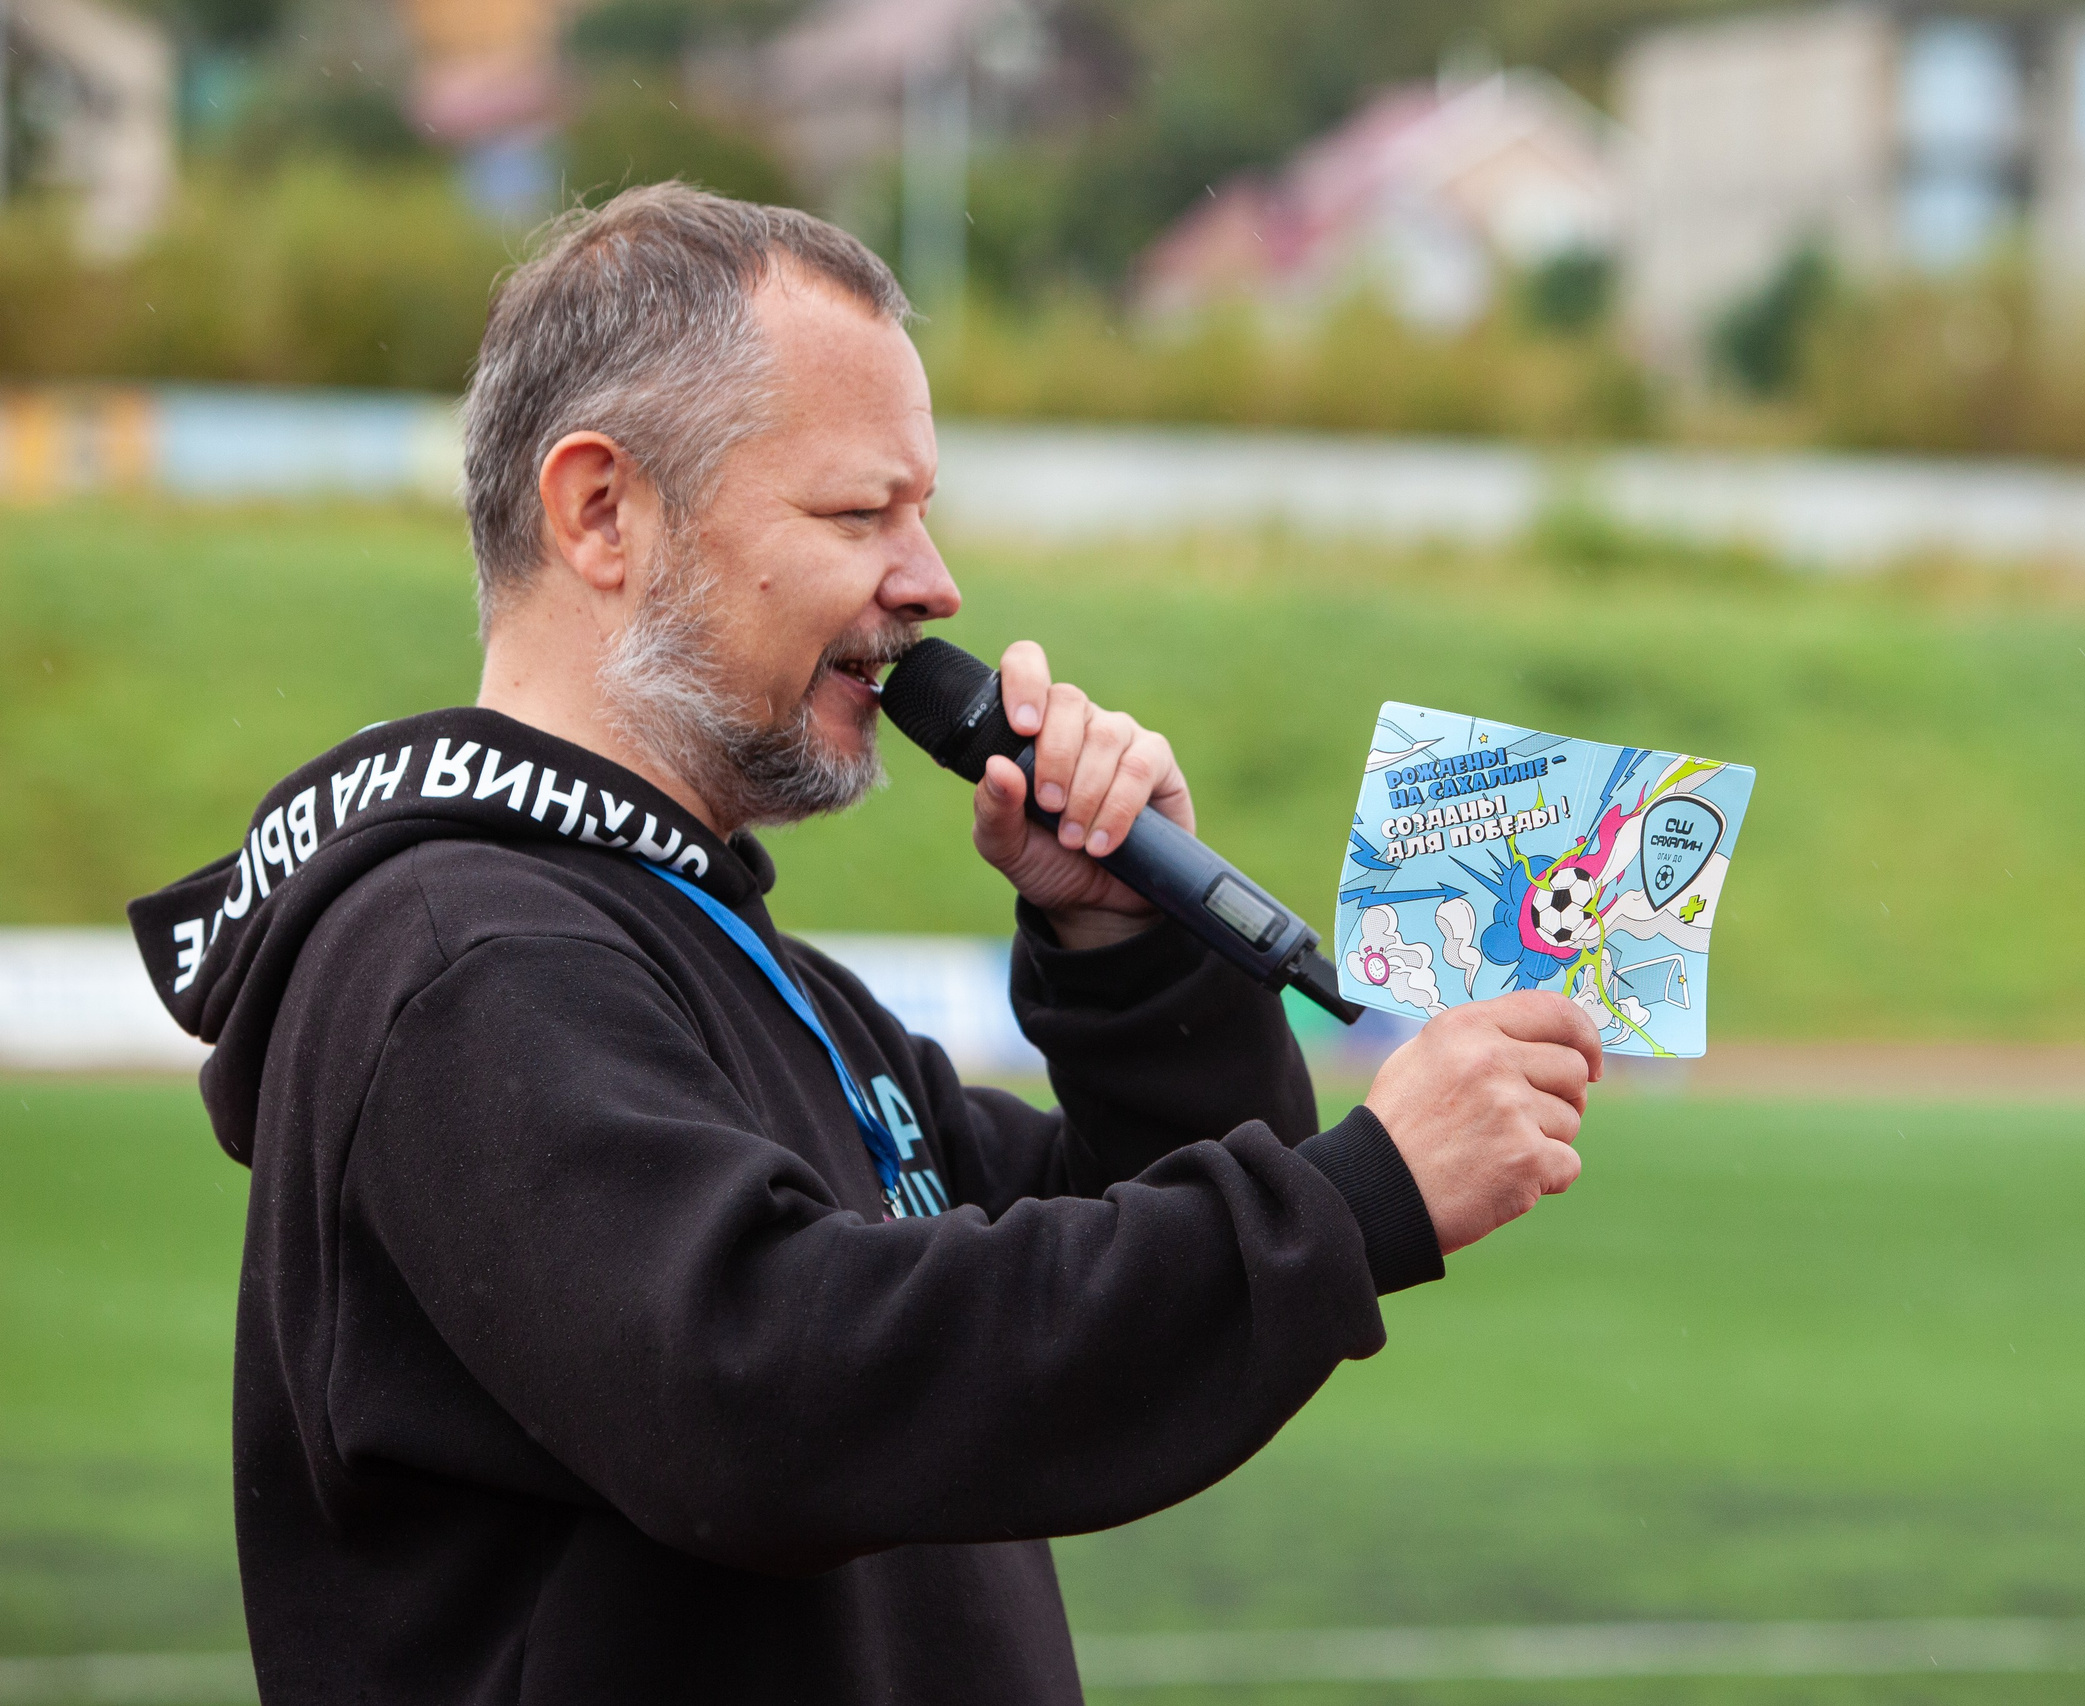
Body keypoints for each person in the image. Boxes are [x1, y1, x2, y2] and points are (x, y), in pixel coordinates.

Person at [127, 184, 1601, 1705]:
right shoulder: (464, 960)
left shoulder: (711, 947)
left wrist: (1125, 952)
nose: (934, 581)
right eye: (858, 512)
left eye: (922, 508)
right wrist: (1361, 1197)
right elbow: (773, 1391)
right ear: (599, 511)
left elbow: (1077, 1296)